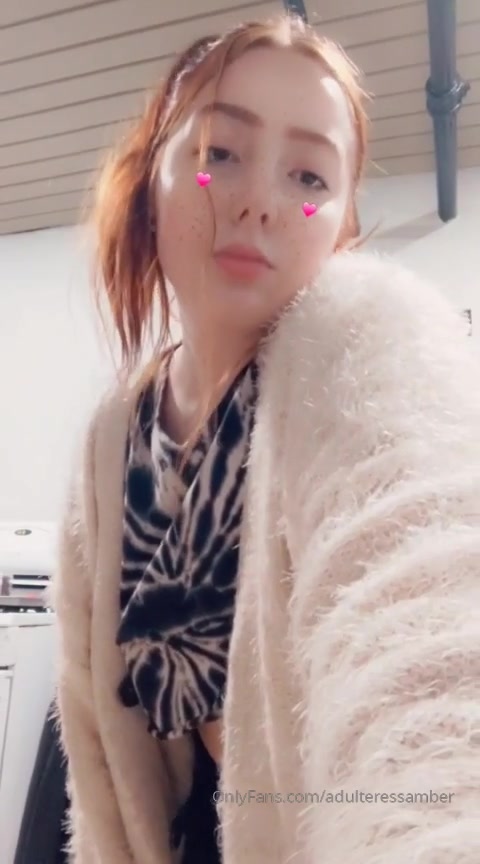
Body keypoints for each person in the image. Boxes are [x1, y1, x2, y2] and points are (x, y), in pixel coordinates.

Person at [51, 12, 480, 864]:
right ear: (151, 182)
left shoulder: (367, 349)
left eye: (309, 176)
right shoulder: (115, 439)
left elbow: (430, 630)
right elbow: (98, 746)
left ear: (341, 231)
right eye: (219, 153)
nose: (261, 201)